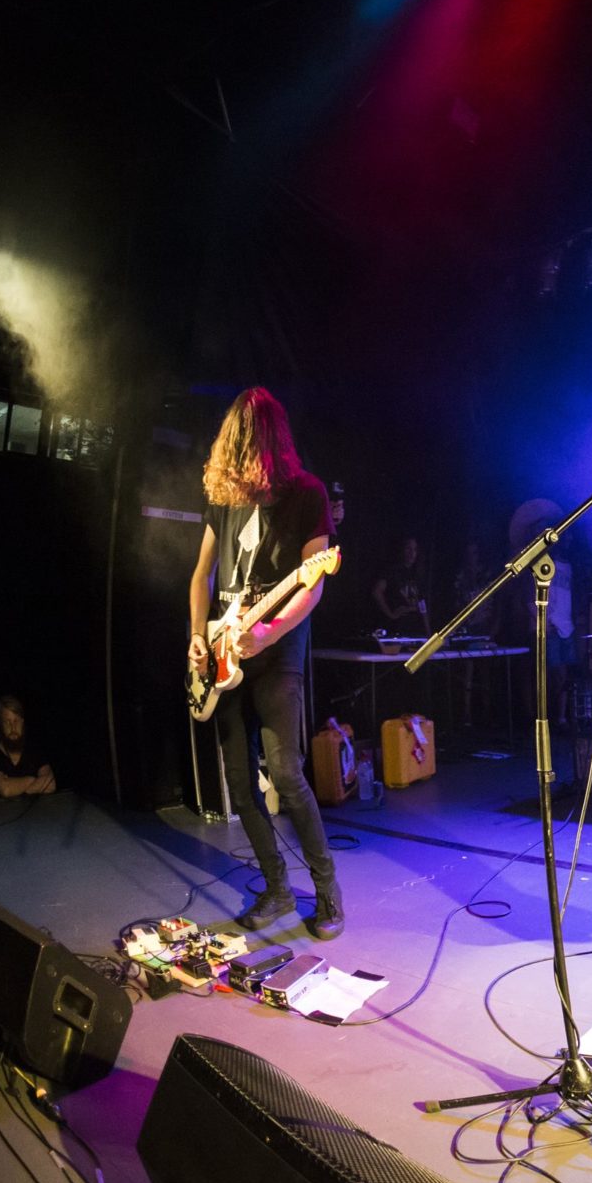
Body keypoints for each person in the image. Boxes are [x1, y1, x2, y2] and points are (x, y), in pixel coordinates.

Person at [187, 387, 345, 939]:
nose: (240, 448)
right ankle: (277, 889)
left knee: (285, 772)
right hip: (224, 652)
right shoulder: (224, 495)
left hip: (277, 652)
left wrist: (270, 629)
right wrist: (196, 637)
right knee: (237, 778)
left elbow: (313, 582)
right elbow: (202, 573)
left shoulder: (306, 494)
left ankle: (327, 893)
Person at [0, 695, 55, 797]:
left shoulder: (34, 750)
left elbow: (50, 784)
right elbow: (5, 789)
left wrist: (20, 787)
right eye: (7, 722)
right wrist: (33, 780)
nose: (13, 727)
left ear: (22, 722)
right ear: (1, 725)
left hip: (36, 812)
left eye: (16, 721)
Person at [372, 536, 430, 637]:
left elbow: (422, 602)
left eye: (415, 550)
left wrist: (428, 631)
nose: (412, 553)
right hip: (398, 626)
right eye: (408, 548)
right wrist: (390, 614)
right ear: (402, 550)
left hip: (415, 625)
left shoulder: (418, 574)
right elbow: (377, 592)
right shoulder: (392, 571)